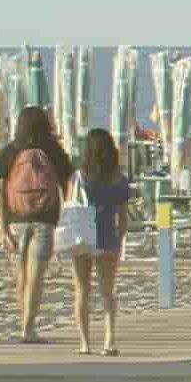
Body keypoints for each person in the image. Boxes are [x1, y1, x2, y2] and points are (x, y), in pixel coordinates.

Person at [0, 106, 70, 343]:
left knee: (22, 275)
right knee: (36, 277)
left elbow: (0, 193)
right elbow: (68, 183)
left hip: (16, 221)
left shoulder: (10, 151)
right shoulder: (53, 150)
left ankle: (24, 323)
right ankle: (28, 329)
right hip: (45, 220)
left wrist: (2, 229)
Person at [59, 129, 134, 355]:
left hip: (83, 235)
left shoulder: (80, 176)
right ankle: (109, 341)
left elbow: (71, 204)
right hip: (107, 237)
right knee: (107, 292)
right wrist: (119, 241)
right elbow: (123, 218)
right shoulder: (119, 180)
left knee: (82, 289)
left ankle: (84, 342)